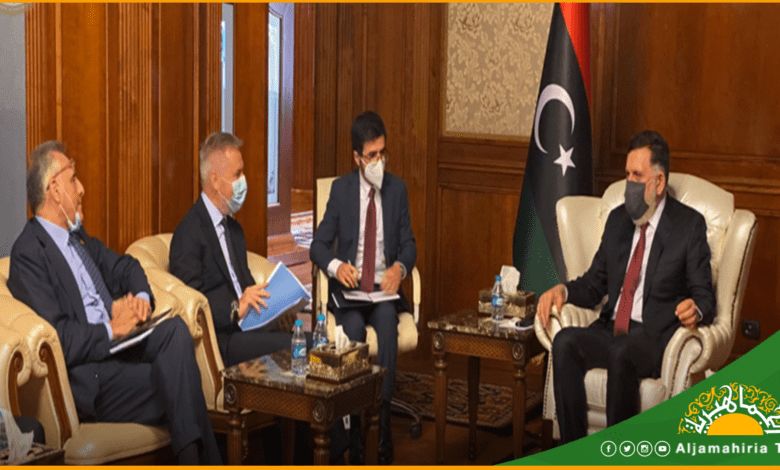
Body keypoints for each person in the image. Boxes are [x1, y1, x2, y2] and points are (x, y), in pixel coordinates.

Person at [7, 141, 221, 464]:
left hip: (122, 351)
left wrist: (141, 300)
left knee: (176, 330)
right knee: (183, 382)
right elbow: (60, 337)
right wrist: (111, 328)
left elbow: (125, 267)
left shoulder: (78, 240)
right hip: (92, 376)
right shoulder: (29, 253)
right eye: (73, 178)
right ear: (54, 189)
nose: (81, 188)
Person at [536, 130, 716, 444]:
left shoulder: (688, 226)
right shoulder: (618, 220)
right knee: (564, 341)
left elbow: (704, 296)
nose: (628, 184)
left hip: (652, 336)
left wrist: (696, 309)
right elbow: (594, 284)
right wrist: (563, 291)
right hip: (611, 329)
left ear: (658, 181)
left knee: (622, 351)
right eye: (627, 174)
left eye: (637, 176)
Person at [310, 110, 417, 465]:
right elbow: (318, 246)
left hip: (383, 292)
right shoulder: (341, 191)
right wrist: (337, 266)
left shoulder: (397, 189)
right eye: (371, 155)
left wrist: (399, 268)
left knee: (387, 324)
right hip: (350, 293)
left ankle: (381, 428)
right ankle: (355, 430)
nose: (378, 161)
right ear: (356, 157)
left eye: (382, 153)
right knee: (353, 331)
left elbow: (409, 245)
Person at [169, 132, 303, 367]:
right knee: (301, 346)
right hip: (225, 338)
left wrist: (277, 309)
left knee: (316, 342)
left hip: (252, 328)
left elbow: (246, 286)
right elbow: (191, 302)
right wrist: (235, 308)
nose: (244, 181)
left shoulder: (234, 229)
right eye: (237, 174)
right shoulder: (188, 233)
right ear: (215, 180)